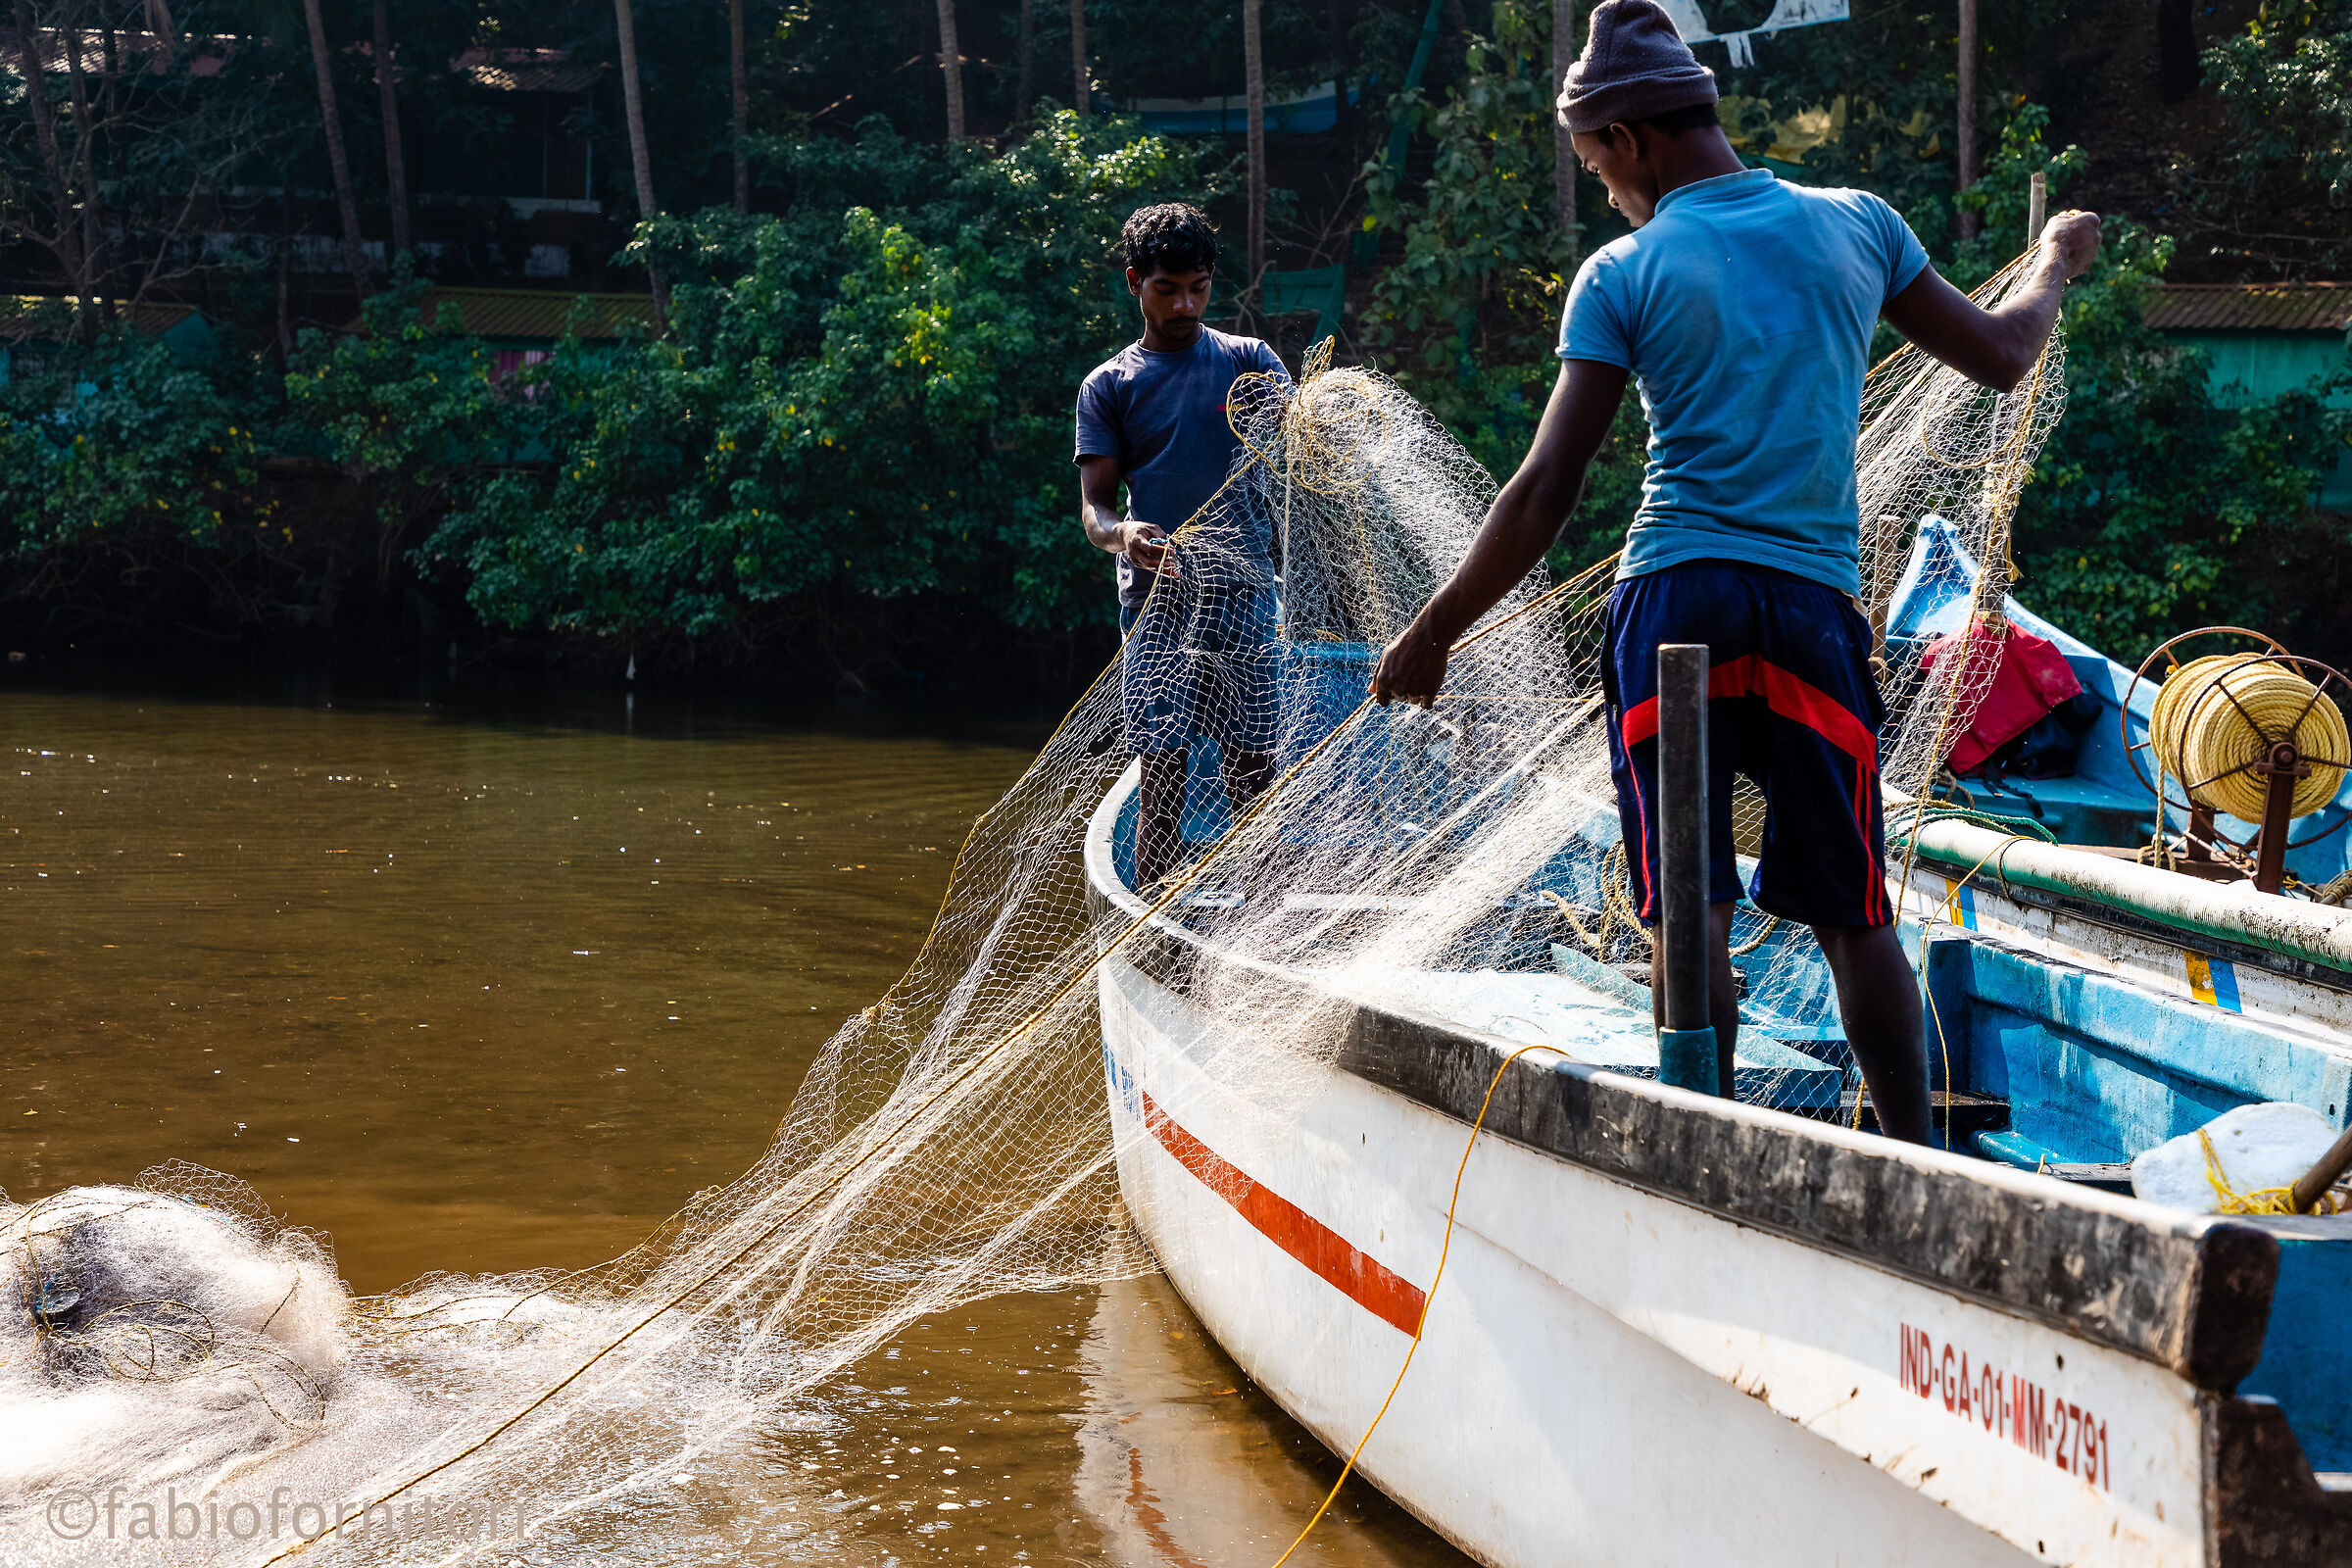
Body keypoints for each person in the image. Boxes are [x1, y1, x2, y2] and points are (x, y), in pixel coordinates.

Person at [1368, 0, 2101, 1144]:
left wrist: (1436, 629)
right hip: (1810, 610)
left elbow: (1546, 488)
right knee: (1855, 911)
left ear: (1635, 139)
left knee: (1690, 914)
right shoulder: (1857, 223)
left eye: (1597, 162)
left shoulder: (1625, 270)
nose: (1605, 187)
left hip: (1675, 603)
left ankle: (1697, 1153)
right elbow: (2006, 356)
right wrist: (2055, 263)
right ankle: (1915, 1160)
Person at [1077, 203, 1293, 888]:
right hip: (1157, 600)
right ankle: (1153, 929)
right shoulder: (1110, 385)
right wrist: (1123, 535)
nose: (1185, 303)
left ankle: (1261, 921)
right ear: (1135, 282)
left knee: (1254, 764)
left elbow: (1297, 442)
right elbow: (1095, 510)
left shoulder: (1248, 362)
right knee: (1163, 770)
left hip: (1245, 593)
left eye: (1198, 287)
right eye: (1167, 289)